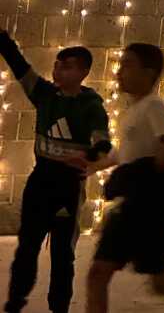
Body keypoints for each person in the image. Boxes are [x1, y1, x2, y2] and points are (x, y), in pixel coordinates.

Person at [0, 30, 110, 313]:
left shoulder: (92, 106)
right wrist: (4, 41)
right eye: (57, 65)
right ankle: (15, 303)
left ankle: (58, 307)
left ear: (84, 72)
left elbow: (102, 143)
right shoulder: (45, 94)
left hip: (68, 187)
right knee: (27, 249)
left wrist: (88, 155)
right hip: (40, 181)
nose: (58, 70)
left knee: (63, 255)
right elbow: (21, 67)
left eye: (67, 66)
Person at [85, 42, 164, 313]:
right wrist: (90, 166)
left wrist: (143, 176)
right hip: (134, 206)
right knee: (150, 280)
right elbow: (123, 154)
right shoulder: (131, 111)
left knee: (103, 274)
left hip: (145, 208)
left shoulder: (153, 106)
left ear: (148, 72)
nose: (119, 71)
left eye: (127, 64)